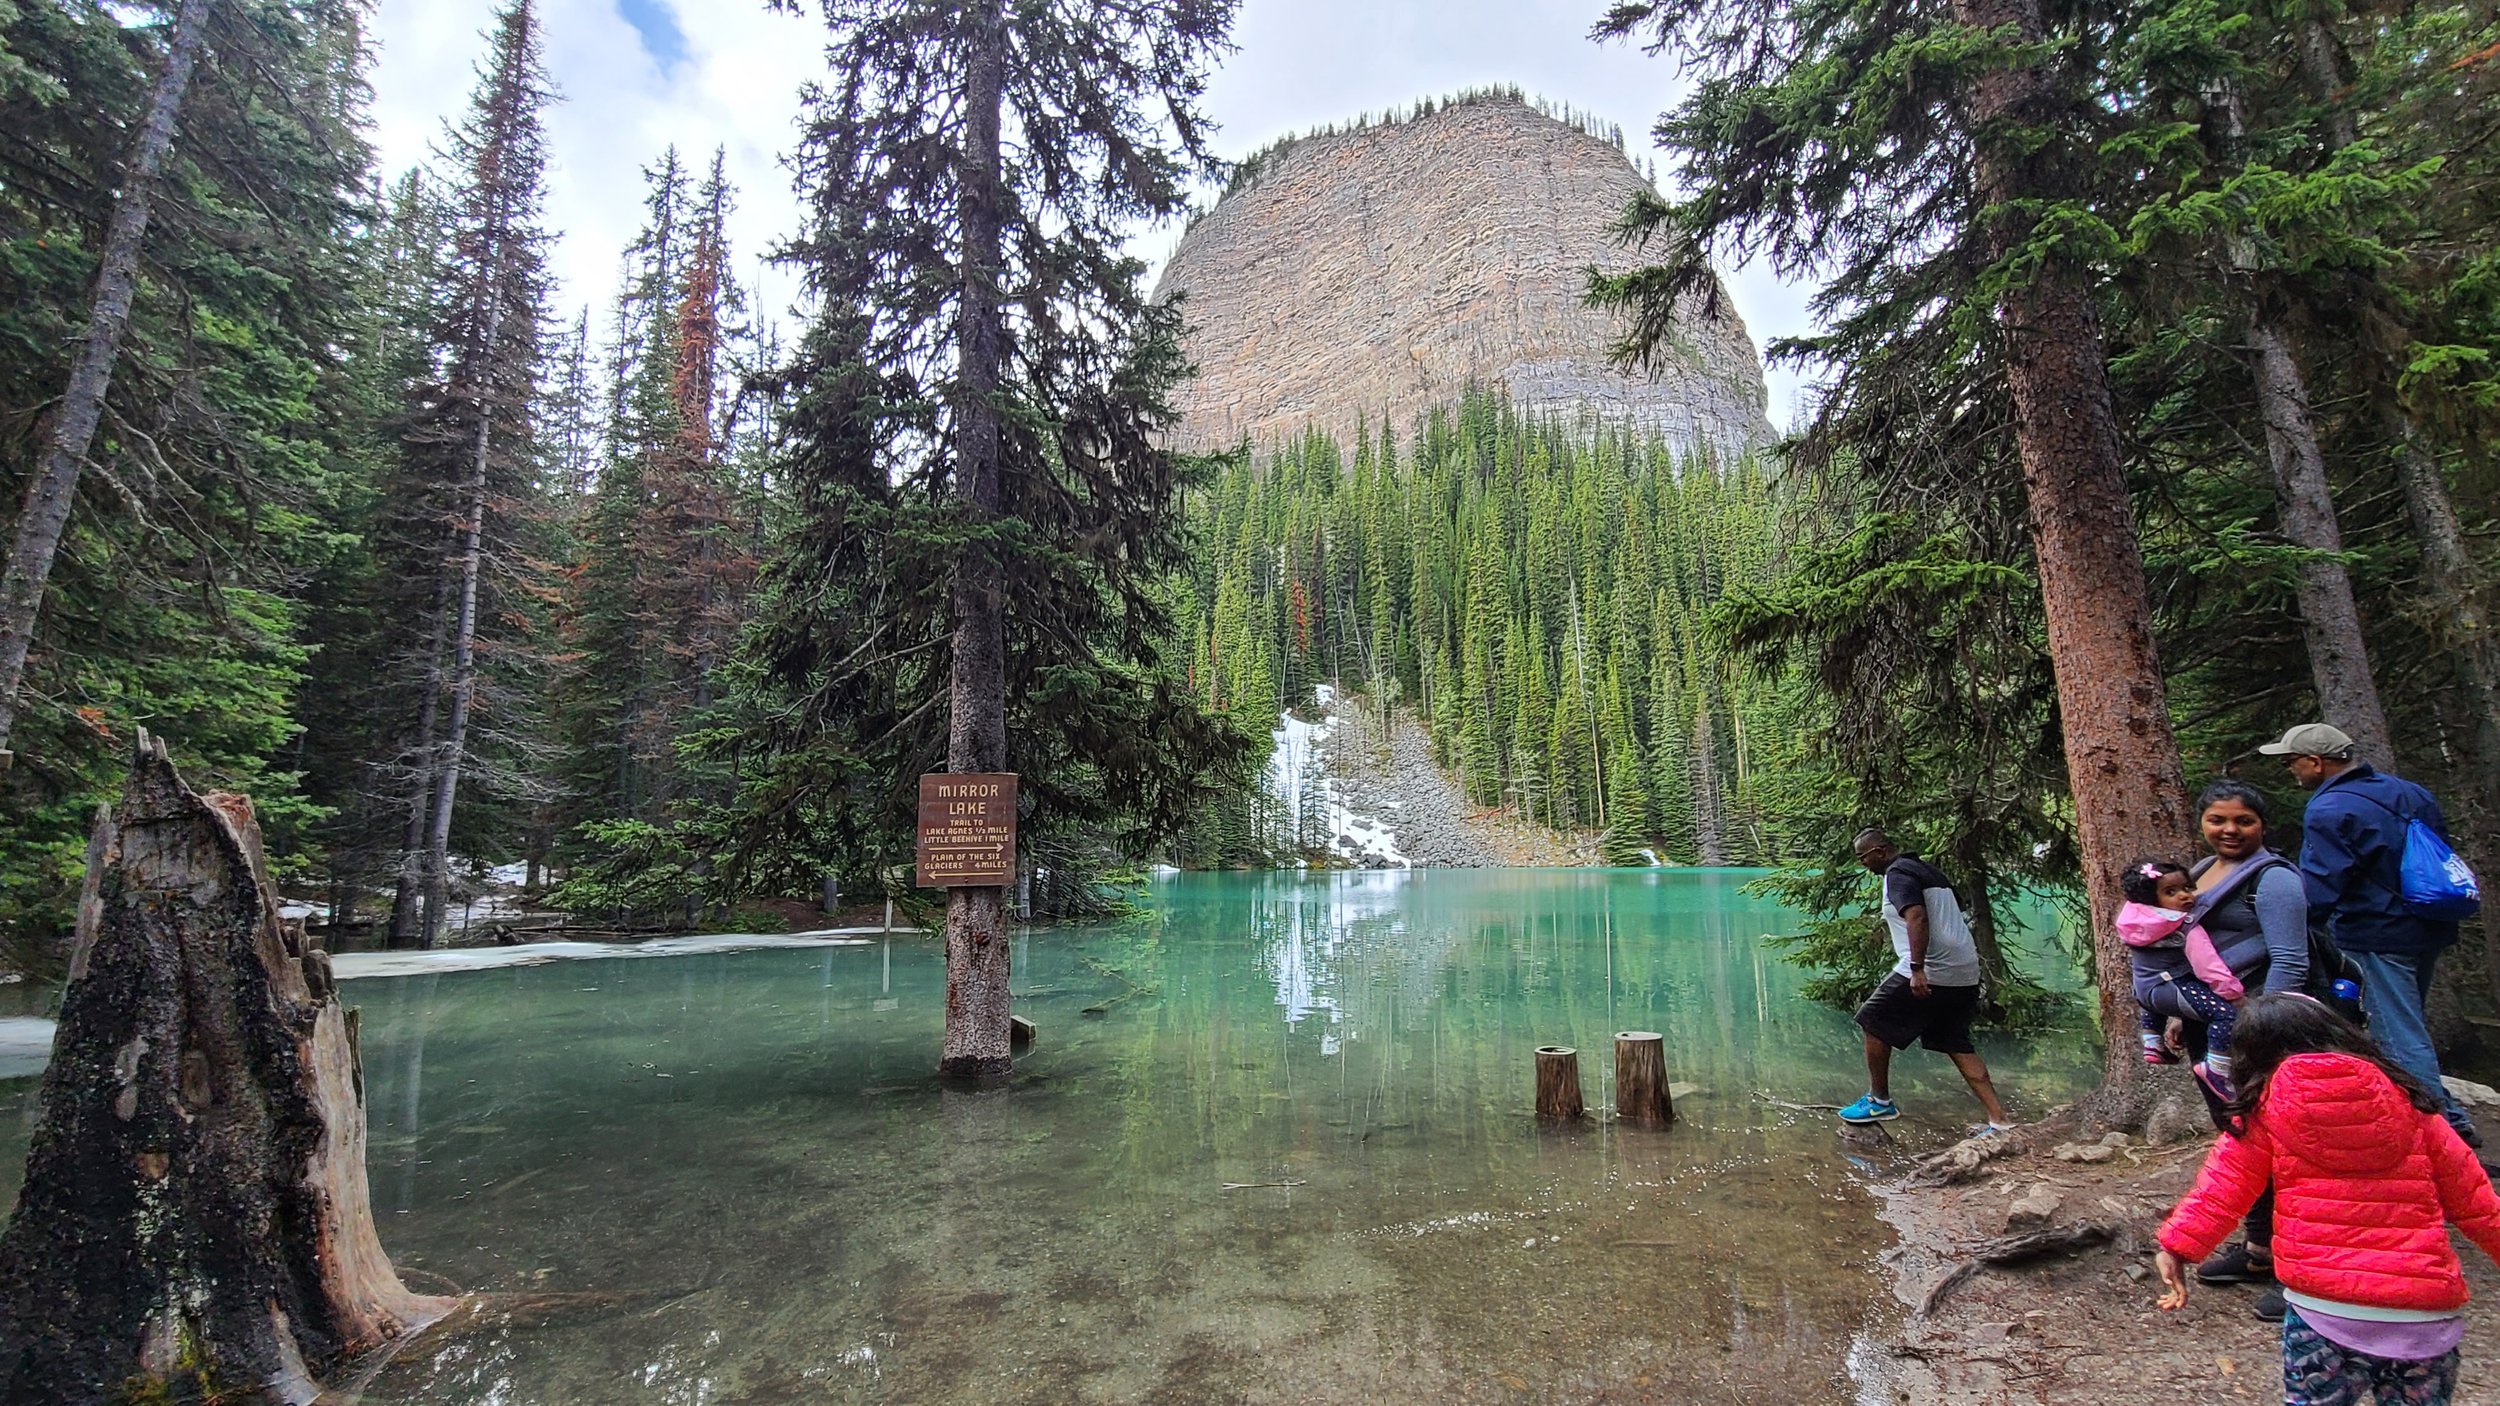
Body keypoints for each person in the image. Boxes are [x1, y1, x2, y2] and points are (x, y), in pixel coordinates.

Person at [2155, 993, 2500, 1406]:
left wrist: (2176, 1247)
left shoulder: (2264, 1112)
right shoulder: (2412, 1105)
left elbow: (2220, 1189)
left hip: (2321, 1314)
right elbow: (2477, 1203)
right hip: (2421, 1317)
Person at [2261, 722, 2479, 1145]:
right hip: (2429, 926)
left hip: (2377, 935)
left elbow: (2323, 886)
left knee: (2398, 1035)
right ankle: (2448, 1113)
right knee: (2409, 1024)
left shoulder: (2329, 809)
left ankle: (2442, 1138)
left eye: (2292, 763)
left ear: (2316, 762)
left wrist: (2292, 925)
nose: (2292, 771)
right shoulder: (2410, 791)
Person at [2180, 778, 2321, 1315]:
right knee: (2242, 1139)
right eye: (2218, 820)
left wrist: (2259, 1028)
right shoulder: (2199, 872)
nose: (2230, 830)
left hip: (2258, 1032)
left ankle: (2301, 1270)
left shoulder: (2276, 879)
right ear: (2203, 822)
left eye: (2243, 821)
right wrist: (2181, 1017)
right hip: (2215, 1026)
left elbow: (2290, 963)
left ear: (2262, 825)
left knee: (2283, 1145)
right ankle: (2261, 1249)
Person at [1835, 828, 2012, 1135]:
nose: (1862, 864)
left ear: (1879, 851)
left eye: (1862, 857)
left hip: (1932, 968)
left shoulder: (1898, 873)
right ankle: (2000, 1120)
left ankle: (1880, 1100)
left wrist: (1917, 968)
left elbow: (1917, 916)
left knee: (1871, 1018)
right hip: (1964, 972)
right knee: (1956, 1043)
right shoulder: (1928, 870)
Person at [2118, 858, 2242, 1096]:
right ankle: (2216, 1068)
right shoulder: (2185, 926)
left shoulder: (2133, 920)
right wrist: (2233, 994)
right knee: (2225, 1014)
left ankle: (2153, 1041)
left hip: (2144, 992)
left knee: (2153, 994)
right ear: (2150, 898)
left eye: (2187, 888)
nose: (2185, 896)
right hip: (2172, 988)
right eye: (2171, 892)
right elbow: (2209, 967)